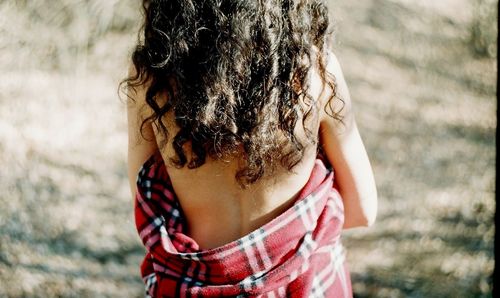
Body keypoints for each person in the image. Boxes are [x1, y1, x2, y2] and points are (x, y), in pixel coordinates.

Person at [124, 1, 377, 296]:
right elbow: (363, 210)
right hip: (307, 286)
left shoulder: (152, 77)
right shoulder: (316, 71)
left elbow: (144, 204)